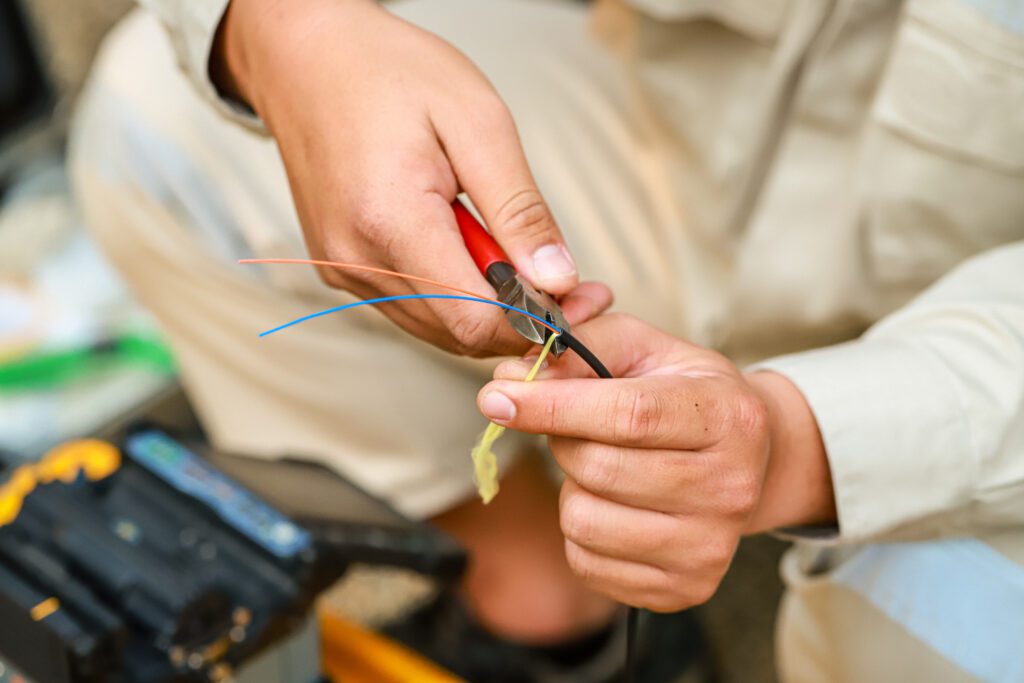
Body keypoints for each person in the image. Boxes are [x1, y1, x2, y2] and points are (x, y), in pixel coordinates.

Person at [69, 0, 1024, 680]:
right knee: (157, 117)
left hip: (983, 326)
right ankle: (550, 615)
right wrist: (288, 31)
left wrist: (804, 438)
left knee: (930, 619)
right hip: (690, 133)